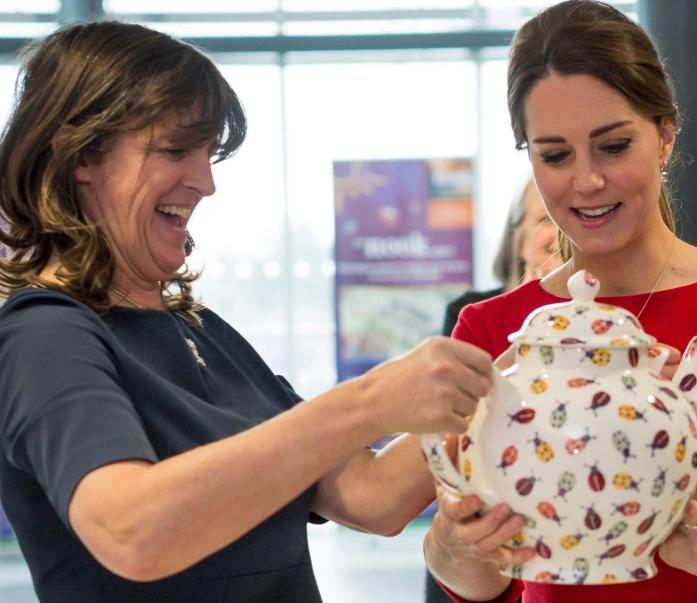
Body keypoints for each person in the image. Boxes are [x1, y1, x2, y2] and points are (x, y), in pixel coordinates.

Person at [0, 21, 493, 602]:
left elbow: (373, 495)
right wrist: (366, 402)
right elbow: (129, 530)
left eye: (209, 153)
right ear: (79, 153)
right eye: (175, 149)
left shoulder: (202, 334)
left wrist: (508, 365)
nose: (206, 182)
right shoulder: (43, 336)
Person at [422, 2, 697, 602]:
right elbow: (483, 589)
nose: (587, 181)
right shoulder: (493, 327)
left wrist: (696, 541)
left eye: (612, 146)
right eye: (555, 155)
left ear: (664, 136)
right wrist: (456, 542)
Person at [429, 179, 559, 602]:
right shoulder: (474, 317)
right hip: (484, 554)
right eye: (545, 218)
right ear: (517, 235)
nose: (559, 231)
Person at [441, 178, 560, 337]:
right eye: (547, 219)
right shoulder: (469, 316)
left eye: (577, 214)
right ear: (517, 240)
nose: (564, 232)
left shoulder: (601, 313)